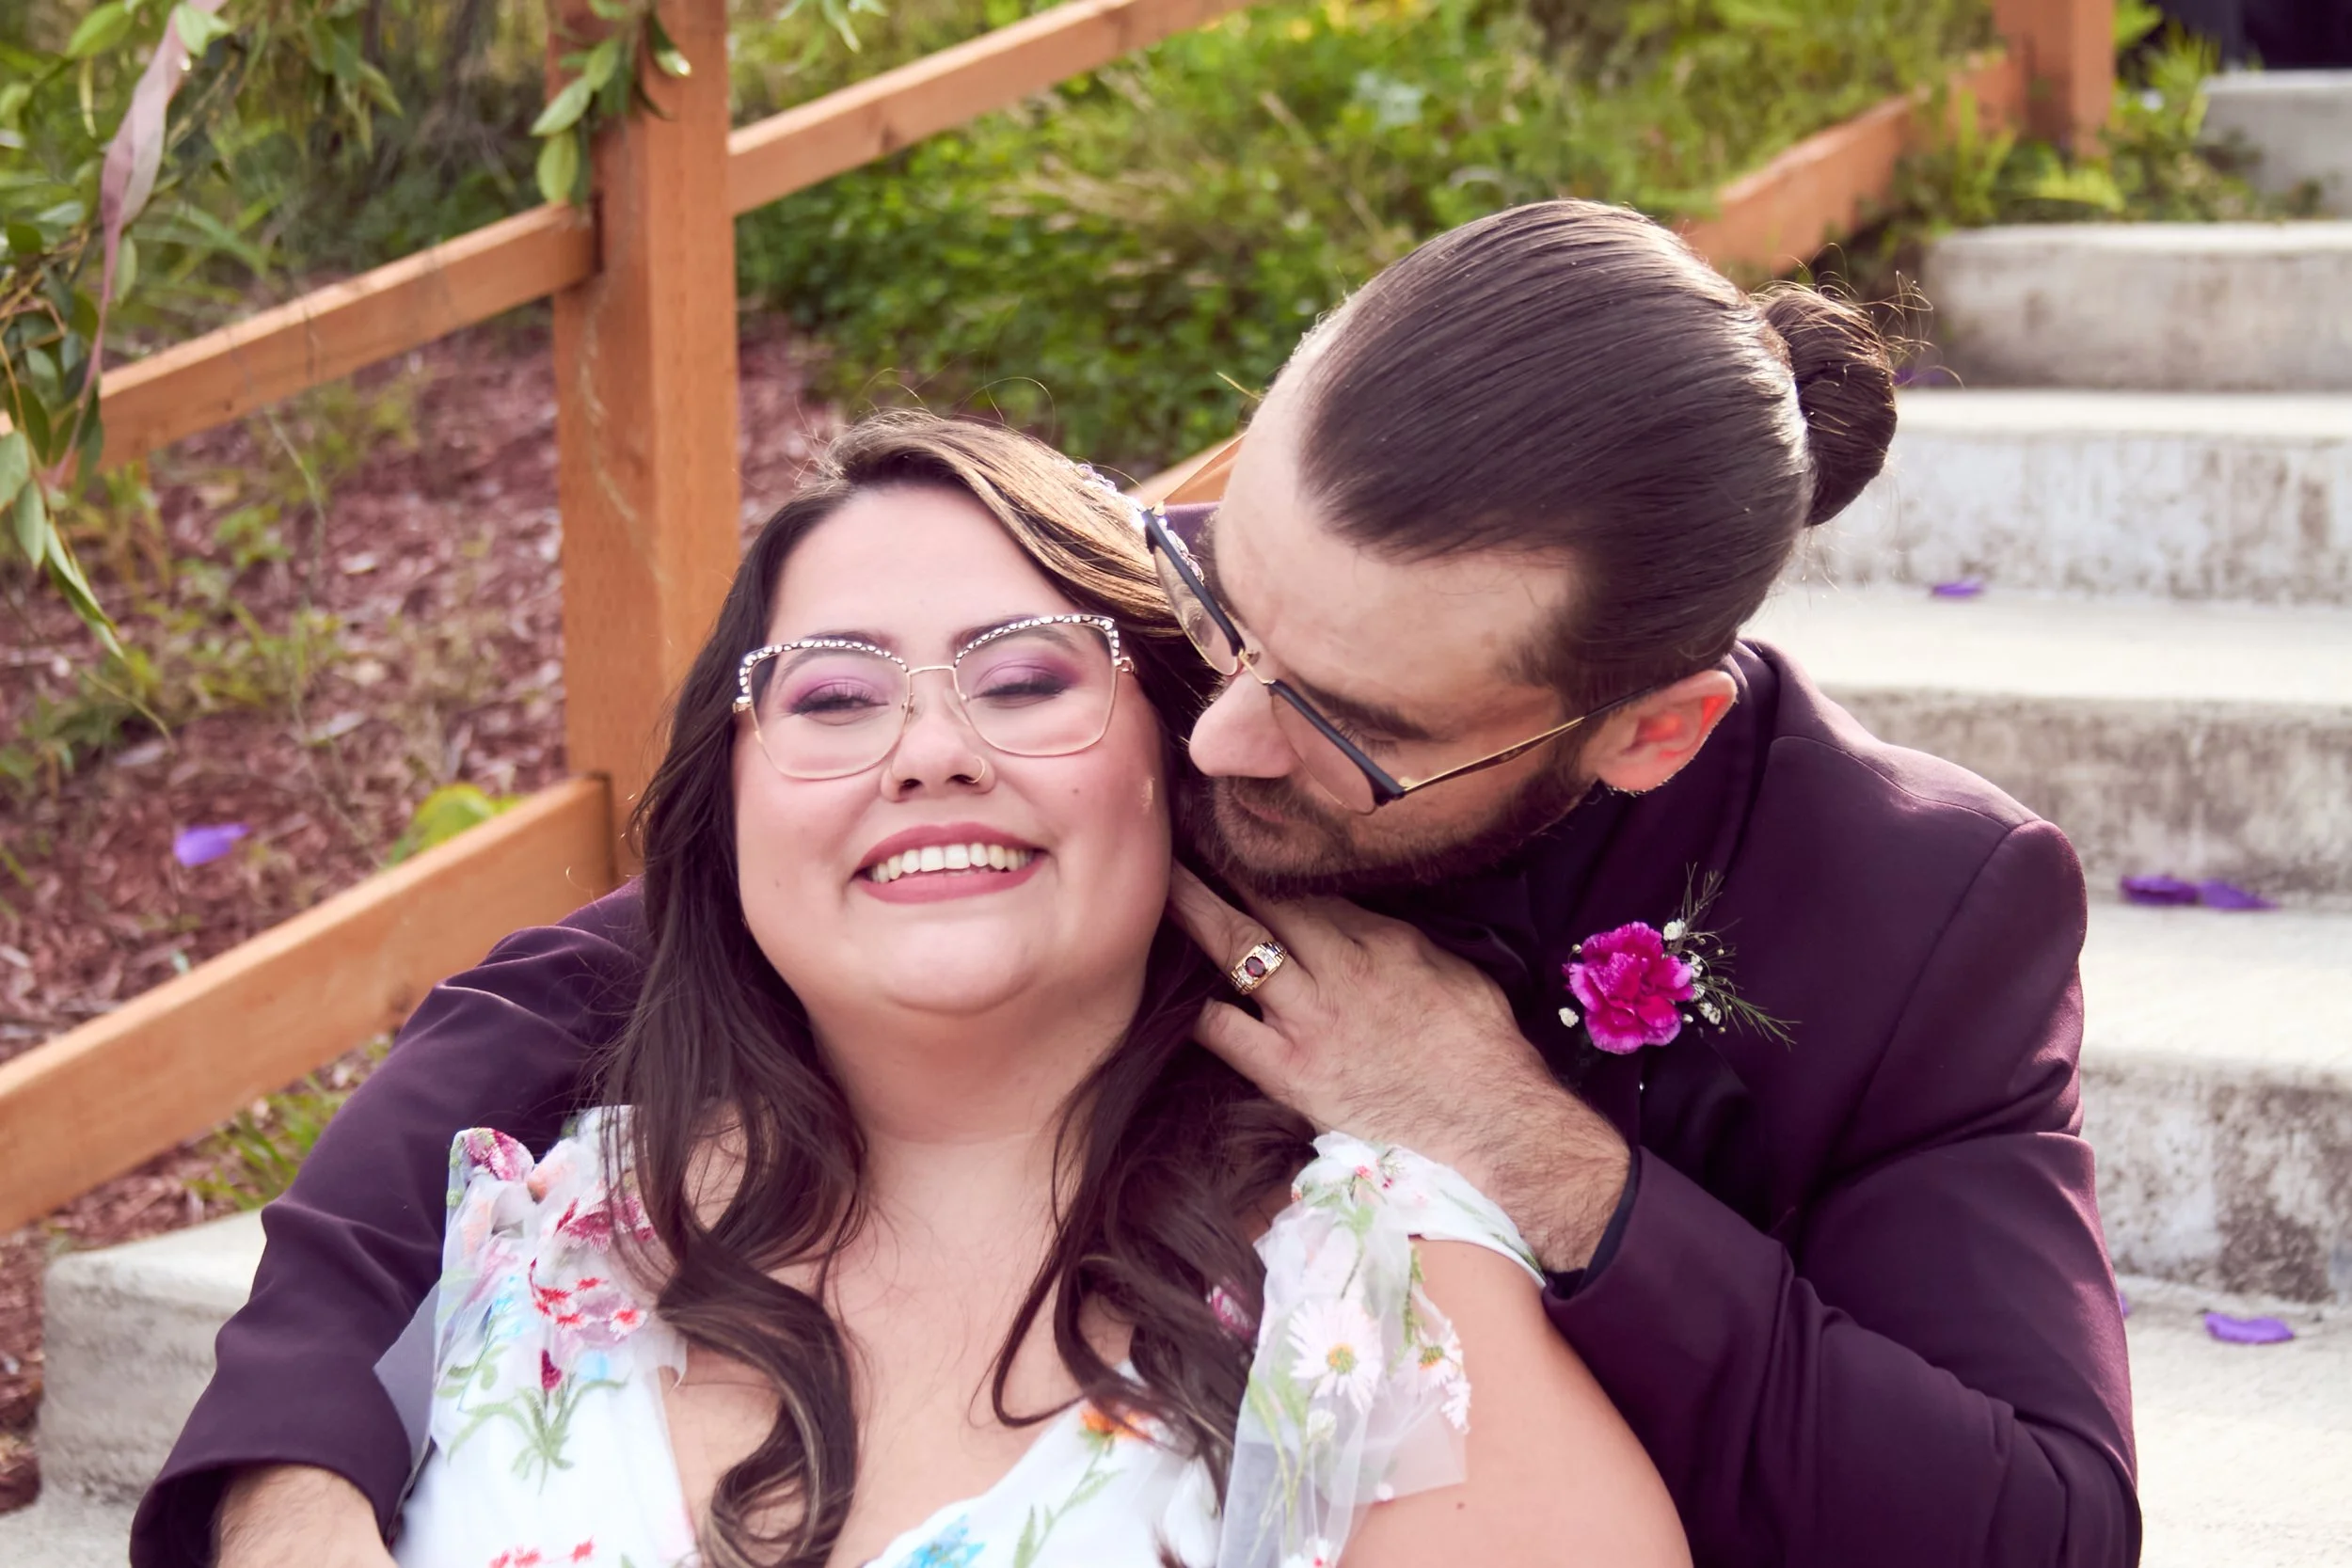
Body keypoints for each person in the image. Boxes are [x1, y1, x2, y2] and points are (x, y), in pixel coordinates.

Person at [136, 200, 2137, 1567]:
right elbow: (635, 963)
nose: (1215, 729)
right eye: (1208, 595)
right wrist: (294, 1454)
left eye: (1338, 719)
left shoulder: (1906, 913)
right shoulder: (1174, 628)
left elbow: (2036, 1521)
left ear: (1644, 730)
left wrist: (1535, 1159)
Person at [368, 411, 1691, 1568]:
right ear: (735, 803)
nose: (931, 749)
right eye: (833, 695)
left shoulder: (1375, 1301)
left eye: (1023, 678)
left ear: (1181, 768)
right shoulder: (518, 1232)